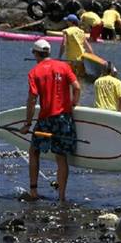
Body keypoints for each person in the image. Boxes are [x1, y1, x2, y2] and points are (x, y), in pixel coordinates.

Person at [22, 39, 80, 202]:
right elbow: (77, 87)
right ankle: (61, 197)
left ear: (35, 54)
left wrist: (27, 124)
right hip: (64, 119)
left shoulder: (34, 72)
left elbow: (32, 100)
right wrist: (72, 104)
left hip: (46, 120)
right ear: (48, 52)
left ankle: (33, 191)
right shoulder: (64, 66)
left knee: (34, 151)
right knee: (61, 157)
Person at [58, 14, 93, 80]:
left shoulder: (67, 31)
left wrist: (59, 56)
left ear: (70, 22)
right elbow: (87, 45)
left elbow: (64, 44)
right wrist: (92, 56)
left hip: (71, 60)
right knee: (80, 78)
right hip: (81, 60)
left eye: (67, 21)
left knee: (72, 79)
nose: (66, 22)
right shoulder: (81, 31)